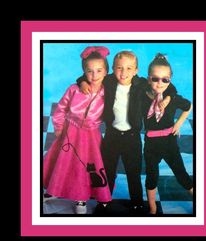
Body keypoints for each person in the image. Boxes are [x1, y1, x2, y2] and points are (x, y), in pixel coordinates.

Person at [77, 50, 177, 215]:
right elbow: (87, 77)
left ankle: (137, 202)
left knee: (134, 172)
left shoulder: (142, 84)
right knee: (108, 170)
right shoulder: (108, 81)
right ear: (113, 68)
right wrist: (82, 83)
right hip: (112, 135)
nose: (123, 73)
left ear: (136, 70)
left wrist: (167, 98)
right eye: (119, 68)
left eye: (129, 68)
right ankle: (104, 200)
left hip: (132, 137)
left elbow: (170, 87)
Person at [43, 46, 112, 214]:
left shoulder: (108, 91)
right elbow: (61, 109)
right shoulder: (74, 89)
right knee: (63, 163)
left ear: (105, 72)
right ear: (83, 72)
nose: (94, 75)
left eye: (99, 70)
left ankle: (81, 197)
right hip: (70, 132)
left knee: (86, 165)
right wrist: (59, 127)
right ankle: (54, 188)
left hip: (91, 135)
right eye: (89, 71)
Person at [143, 53, 193, 216]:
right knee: (151, 176)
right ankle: (152, 209)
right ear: (148, 78)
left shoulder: (173, 97)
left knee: (181, 174)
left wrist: (178, 124)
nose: (160, 83)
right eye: (155, 78)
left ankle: (201, 203)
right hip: (151, 144)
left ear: (170, 79)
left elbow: (188, 106)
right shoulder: (142, 96)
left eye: (165, 79)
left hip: (169, 143)